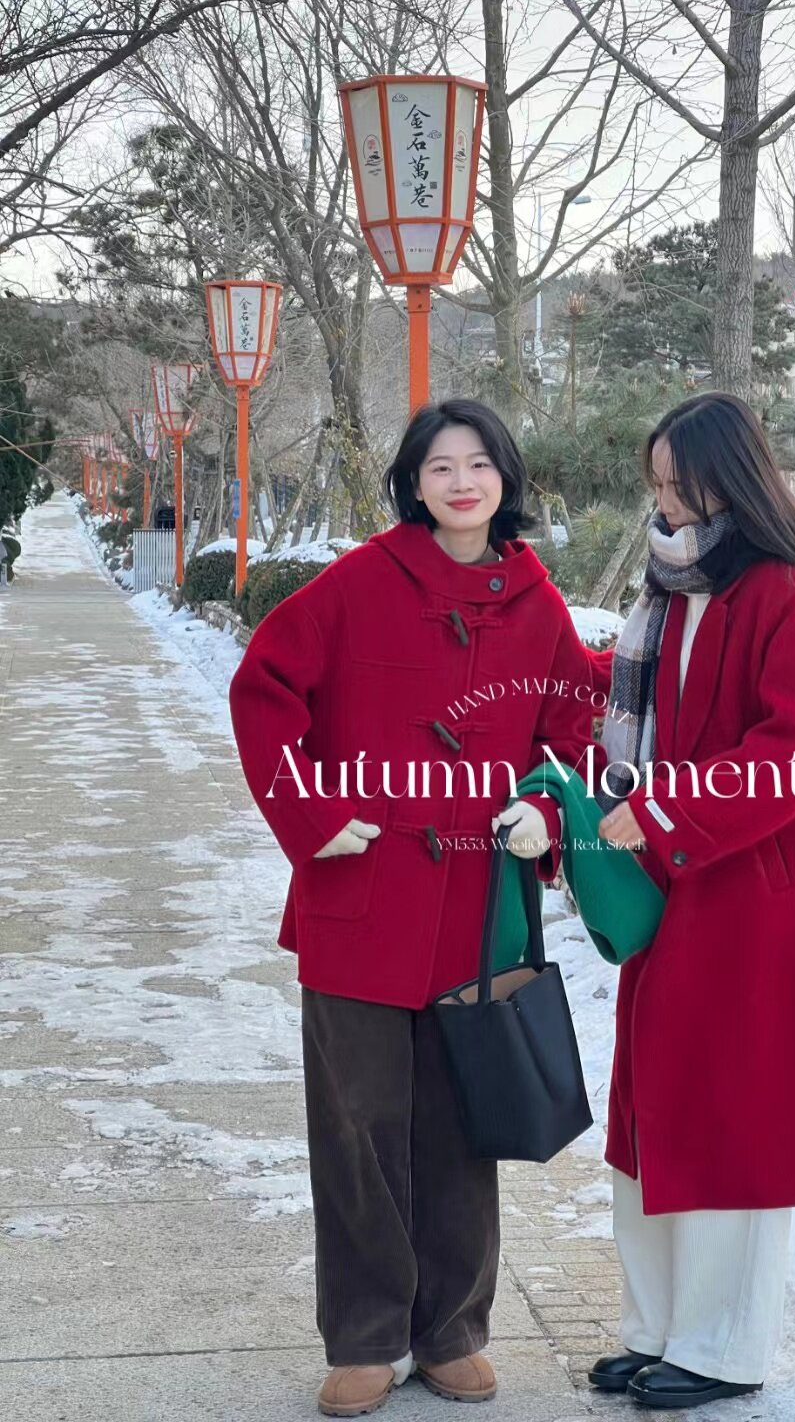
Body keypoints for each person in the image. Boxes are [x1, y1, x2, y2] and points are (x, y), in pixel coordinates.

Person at [229, 399, 597, 1418]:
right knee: (357, 1127)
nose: (461, 482)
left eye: (479, 464)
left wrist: (544, 811)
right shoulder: (359, 583)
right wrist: (313, 815)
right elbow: (264, 689)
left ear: (506, 478)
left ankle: (452, 1331)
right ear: (413, 483)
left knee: (461, 1127)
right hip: (360, 893)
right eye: (440, 466)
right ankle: (365, 1336)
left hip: (478, 905)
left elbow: (573, 732)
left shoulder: (538, 605)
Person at [585, 392, 795, 1409]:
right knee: (653, 1106)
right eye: (658, 482)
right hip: (672, 879)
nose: (665, 503)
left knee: (731, 1116)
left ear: (731, 480)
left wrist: (662, 809)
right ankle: (658, 1328)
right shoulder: (668, 590)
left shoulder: (785, 595)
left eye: (683, 485)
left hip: (752, 889)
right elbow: (633, 703)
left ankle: (724, 1348)